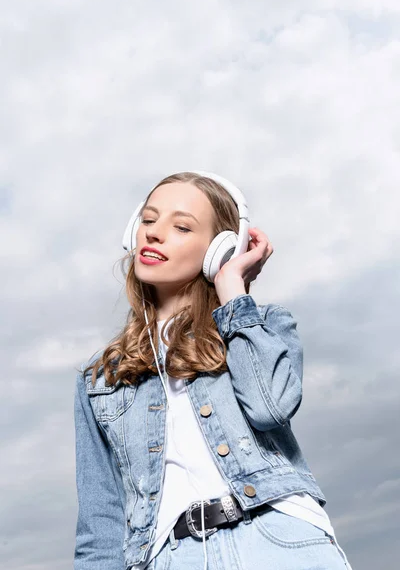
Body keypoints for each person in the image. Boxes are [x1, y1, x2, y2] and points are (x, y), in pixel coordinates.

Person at [73, 171, 353, 570]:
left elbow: (269, 407)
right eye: (148, 221)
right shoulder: (99, 378)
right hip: (170, 557)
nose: (154, 234)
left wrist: (233, 292)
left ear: (219, 249)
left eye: (181, 226)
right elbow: (100, 525)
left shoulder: (265, 327)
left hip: (279, 538)